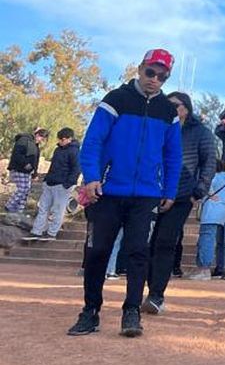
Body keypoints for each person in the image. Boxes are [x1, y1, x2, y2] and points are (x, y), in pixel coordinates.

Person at [69, 48, 183, 338]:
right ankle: (90, 311)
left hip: (145, 196)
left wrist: (169, 190)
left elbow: (173, 156)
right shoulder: (115, 100)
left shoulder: (168, 113)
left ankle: (131, 311)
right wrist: (93, 177)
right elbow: (93, 141)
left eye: (162, 76)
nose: (154, 80)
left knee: (137, 253)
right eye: (150, 72)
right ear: (140, 68)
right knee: (97, 253)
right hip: (107, 191)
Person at [140, 91, 218, 314]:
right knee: (147, 242)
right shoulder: (158, 126)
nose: (171, 108)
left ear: (186, 108)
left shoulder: (201, 132)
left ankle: (156, 295)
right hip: (152, 191)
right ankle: (145, 289)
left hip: (182, 194)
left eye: (175, 105)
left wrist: (198, 192)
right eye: (168, 104)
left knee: (165, 241)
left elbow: (209, 162)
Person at [188, 159, 225, 280]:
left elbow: (203, 189)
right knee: (209, 238)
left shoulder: (213, 177)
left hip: (211, 211)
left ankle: (204, 269)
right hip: (222, 211)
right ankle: (202, 268)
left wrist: (209, 196)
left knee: (206, 239)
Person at [26, 128, 80, 240]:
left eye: (63, 139)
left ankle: (51, 233)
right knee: (43, 208)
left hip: (62, 185)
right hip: (50, 182)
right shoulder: (57, 150)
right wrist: (46, 180)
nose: (60, 141)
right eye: (59, 139)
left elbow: (76, 169)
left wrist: (68, 184)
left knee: (58, 210)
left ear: (69, 139)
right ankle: (37, 231)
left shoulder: (75, 151)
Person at [5, 128, 48, 213]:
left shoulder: (36, 147)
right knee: (22, 189)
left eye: (43, 140)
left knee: (26, 190)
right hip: (18, 168)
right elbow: (16, 154)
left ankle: (19, 211)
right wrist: (25, 163)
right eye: (41, 138)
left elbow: (36, 162)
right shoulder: (24, 140)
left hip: (27, 171)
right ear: (37, 135)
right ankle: (9, 206)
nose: (41, 141)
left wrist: (35, 174)